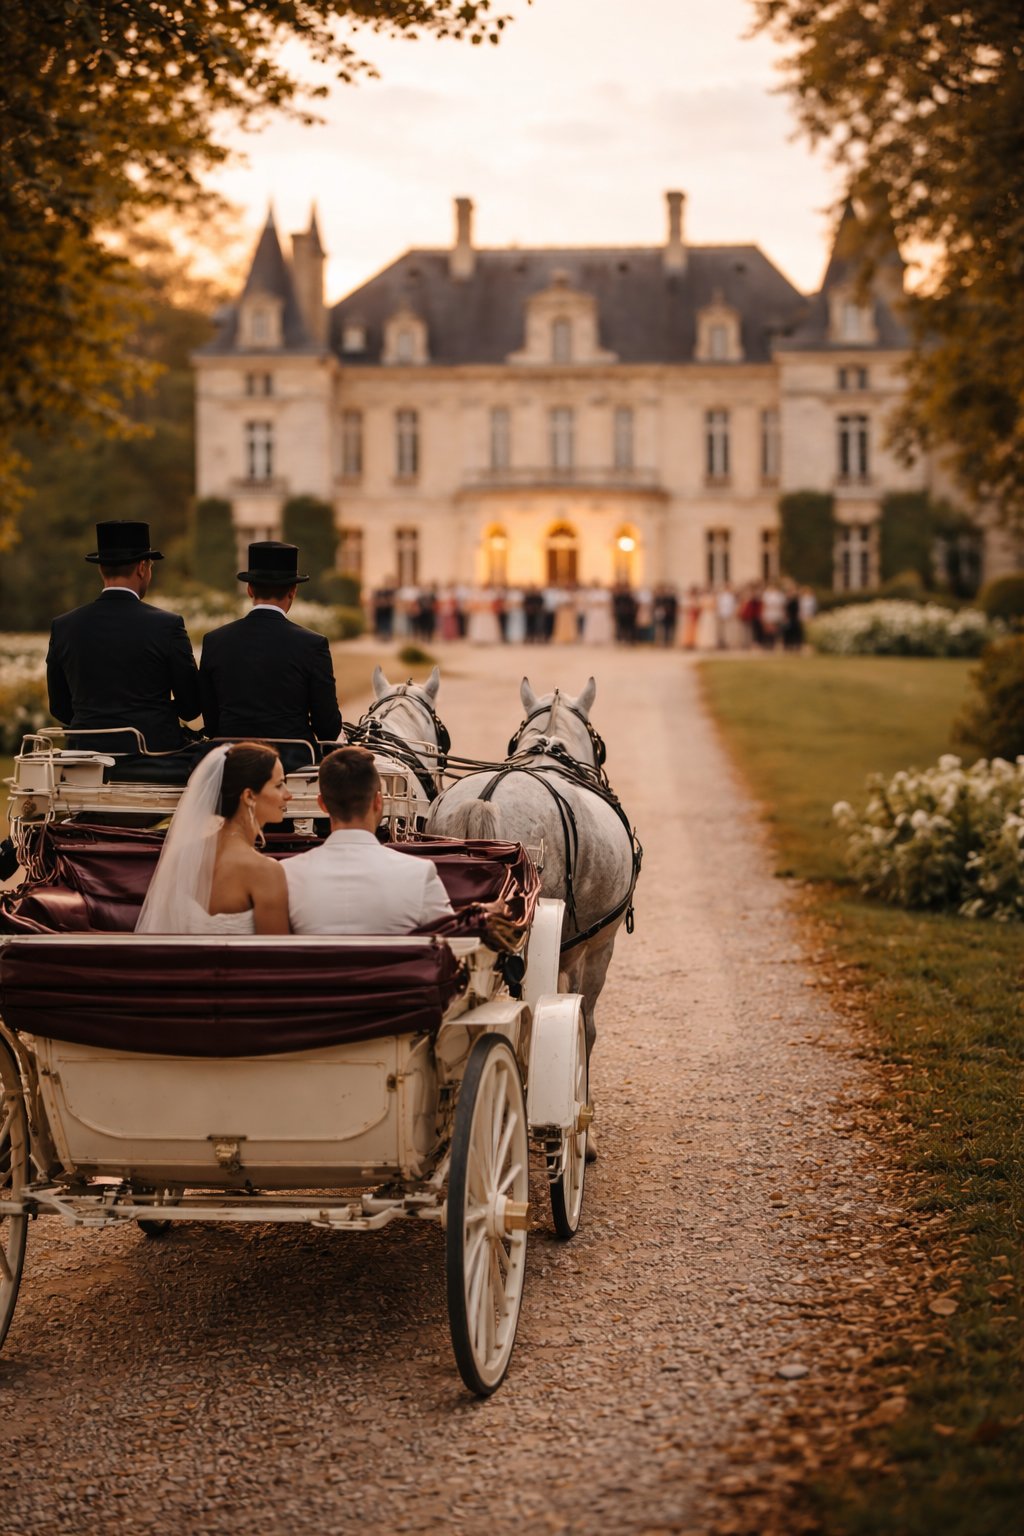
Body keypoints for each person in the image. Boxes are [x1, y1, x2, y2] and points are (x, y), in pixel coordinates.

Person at [46, 520, 202, 755]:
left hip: (87, 756)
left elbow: (59, 707)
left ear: (101, 568)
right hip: (154, 755)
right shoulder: (167, 625)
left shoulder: (64, 626)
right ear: (142, 567)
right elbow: (190, 707)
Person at [284, 746, 454, 935]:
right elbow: (451, 946)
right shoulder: (420, 874)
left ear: (322, 804)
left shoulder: (285, 875)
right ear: (378, 802)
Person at [199, 542, 341, 766]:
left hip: (231, 761)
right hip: (293, 763)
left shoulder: (215, 640)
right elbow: (328, 728)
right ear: (293, 591)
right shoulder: (313, 644)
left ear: (249, 590)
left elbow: (212, 722)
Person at [136, 741, 291, 934]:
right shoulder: (265, 871)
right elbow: (278, 958)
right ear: (249, 796)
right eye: (279, 785)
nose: (288, 795)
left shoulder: (183, 858)